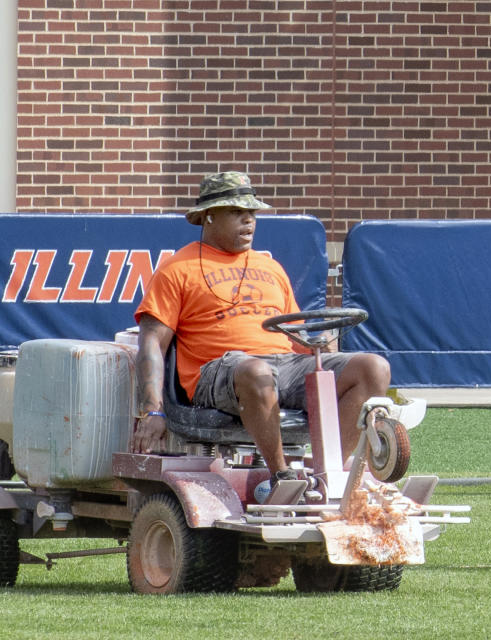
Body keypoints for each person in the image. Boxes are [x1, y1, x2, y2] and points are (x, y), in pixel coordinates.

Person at [130, 171, 391, 486]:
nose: (249, 221)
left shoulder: (271, 268)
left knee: (373, 368)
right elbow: (152, 345)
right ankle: (282, 475)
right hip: (218, 372)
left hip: (284, 365)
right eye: (237, 213)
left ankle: (326, 478)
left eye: (252, 213)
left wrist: (321, 351)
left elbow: (296, 334)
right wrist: (152, 412)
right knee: (256, 371)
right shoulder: (176, 270)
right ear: (208, 217)